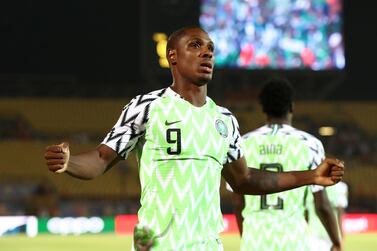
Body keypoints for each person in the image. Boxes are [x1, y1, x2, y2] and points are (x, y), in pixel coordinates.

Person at [44, 26, 344, 251]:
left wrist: (311, 176)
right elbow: (100, 159)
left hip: (208, 245)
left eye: (211, 48)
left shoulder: (224, 120)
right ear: (172, 56)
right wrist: (69, 161)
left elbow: (245, 180)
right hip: (158, 244)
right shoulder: (147, 107)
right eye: (196, 45)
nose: (207, 52)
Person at [228, 77, 343, 251]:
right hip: (294, 241)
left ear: (263, 109)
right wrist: (336, 241)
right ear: (291, 107)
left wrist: (248, 237)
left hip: (254, 240)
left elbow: (237, 204)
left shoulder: (243, 143)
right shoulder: (310, 144)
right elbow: (322, 205)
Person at [308, 181, 349, 251]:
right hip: (330, 233)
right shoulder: (341, 187)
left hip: (311, 233)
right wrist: (340, 238)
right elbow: (339, 214)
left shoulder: (310, 182)